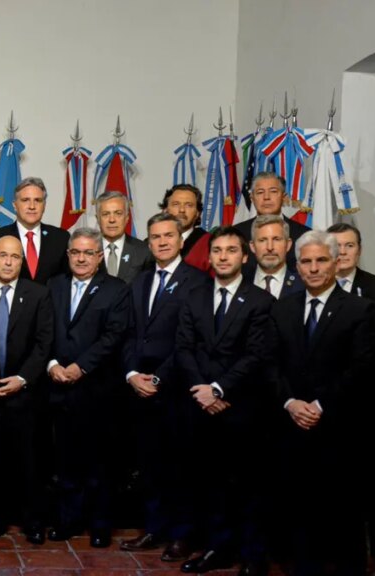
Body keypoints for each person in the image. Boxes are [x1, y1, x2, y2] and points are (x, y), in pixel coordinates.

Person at [272, 230, 375, 576]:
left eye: (321, 260)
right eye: (306, 261)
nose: (314, 268)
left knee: (344, 510)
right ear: (297, 266)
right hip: (292, 426)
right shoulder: (282, 308)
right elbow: (270, 363)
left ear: (335, 262)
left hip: (338, 428)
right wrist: (290, 402)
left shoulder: (360, 309)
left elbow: (362, 368)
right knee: (299, 507)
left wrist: (320, 405)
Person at [174, 227, 275, 575]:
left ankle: (251, 555)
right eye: (217, 250)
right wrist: (202, 389)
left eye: (231, 250)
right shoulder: (194, 296)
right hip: (199, 406)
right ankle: (217, 548)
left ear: (245, 256)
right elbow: (184, 347)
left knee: (246, 485)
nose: (223, 256)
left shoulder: (261, 301)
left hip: (240, 407)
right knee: (208, 482)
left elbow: (256, 355)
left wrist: (219, 388)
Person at [118, 213, 208, 560]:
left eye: (169, 235)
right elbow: (129, 333)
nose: (162, 242)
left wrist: (159, 378)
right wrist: (131, 374)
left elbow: (191, 339)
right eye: (155, 237)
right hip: (139, 388)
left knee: (181, 466)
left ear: (181, 240)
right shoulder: (140, 281)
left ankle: (183, 534)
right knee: (149, 463)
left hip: (176, 388)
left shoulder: (197, 281)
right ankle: (154, 528)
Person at [45, 227, 130, 548]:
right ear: (68, 255)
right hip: (59, 388)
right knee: (65, 461)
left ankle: (99, 525)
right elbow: (45, 330)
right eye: (76, 252)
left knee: (99, 463)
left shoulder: (117, 289)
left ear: (99, 256)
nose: (81, 259)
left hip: (97, 390)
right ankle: (68, 520)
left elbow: (114, 336)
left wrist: (80, 367)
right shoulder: (54, 285)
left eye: (88, 253)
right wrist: (52, 364)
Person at [0, 236, 53, 545]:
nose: (8, 262)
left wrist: (23, 378)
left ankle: (33, 522)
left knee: (29, 462)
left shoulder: (39, 294)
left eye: (15, 257)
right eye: (3, 255)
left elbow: (44, 343)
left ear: (22, 261)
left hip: (25, 395)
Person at [329, 222, 375, 569]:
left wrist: (351, 381)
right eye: (336, 246)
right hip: (324, 402)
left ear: (359, 249)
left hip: (365, 400)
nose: (342, 252)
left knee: (372, 476)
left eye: (349, 245)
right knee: (331, 477)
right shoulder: (315, 285)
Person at [0, 177, 69, 283]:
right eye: (25, 200)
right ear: (14, 205)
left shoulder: (61, 238)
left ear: (44, 205)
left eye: (38, 200)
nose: (32, 206)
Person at [233, 172, 310, 267]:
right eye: (260, 192)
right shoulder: (236, 234)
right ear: (252, 198)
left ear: (284, 197)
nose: (266, 197)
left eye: (273, 191)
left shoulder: (304, 235)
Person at [96, 191, 152, 283]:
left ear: (127, 218)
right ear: (98, 219)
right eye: (106, 214)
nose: (112, 220)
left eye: (118, 213)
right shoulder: (88, 250)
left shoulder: (144, 251)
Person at [246, 215, 304, 299]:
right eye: (262, 240)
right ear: (252, 246)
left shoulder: (304, 284)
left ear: (288, 245)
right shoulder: (241, 282)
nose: (270, 247)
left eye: (276, 239)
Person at [159, 184, 210, 273]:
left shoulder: (210, 243)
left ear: (197, 213)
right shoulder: (150, 243)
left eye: (189, 205)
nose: (182, 210)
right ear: (165, 210)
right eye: (176, 204)